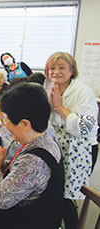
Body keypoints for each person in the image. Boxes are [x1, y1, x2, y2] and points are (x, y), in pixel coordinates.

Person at [0, 83, 64, 229]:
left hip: (29, 221)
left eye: (5, 121)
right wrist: (4, 163)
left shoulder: (34, 161)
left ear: (24, 124)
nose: (4, 126)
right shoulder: (44, 139)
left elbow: (0, 200)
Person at [44, 52, 99, 228]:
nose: (56, 72)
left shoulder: (84, 91)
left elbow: (85, 128)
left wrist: (60, 108)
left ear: (72, 70)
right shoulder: (50, 86)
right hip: (57, 145)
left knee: (66, 196)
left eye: (61, 68)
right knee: (54, 192)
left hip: (79, 148)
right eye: (52, 68)